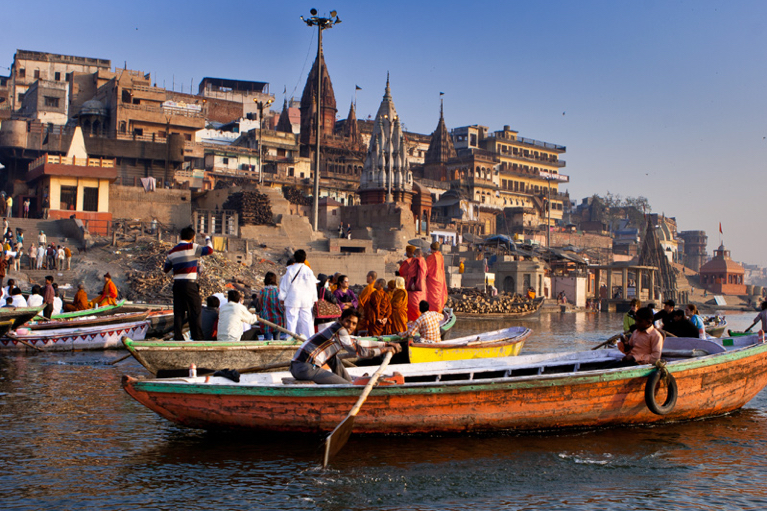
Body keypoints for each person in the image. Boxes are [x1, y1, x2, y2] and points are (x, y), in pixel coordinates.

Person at [289, 307, 401, 384]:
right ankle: (349, 384)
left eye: (354, 324)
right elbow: (360, 352)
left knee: (333, 357)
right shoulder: (340, 330)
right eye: (348, 321)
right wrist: (385, 349)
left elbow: (359, 342)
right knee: (346, 386)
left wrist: (386, 343)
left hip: (297, 367)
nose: (350, 326)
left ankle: (348, 381)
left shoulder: (337, 330)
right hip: (305, 368)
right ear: (340, 320)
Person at [163, 225, 214, 341]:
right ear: (193, 237)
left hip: (177, 284)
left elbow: (166, 269)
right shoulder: (193, 247)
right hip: (189, 284)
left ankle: (178, 336)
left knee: (179, 311)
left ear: (180, 236)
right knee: (195, 310)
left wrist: (177, 270)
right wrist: (207, 238)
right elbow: (210, 250)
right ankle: (197, 337)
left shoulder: (172, 252)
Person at [278, 249, 317, 340]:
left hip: (293, 298)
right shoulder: (309, 271)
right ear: (304, 258)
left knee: (291, 319)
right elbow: (313, 286)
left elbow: (285, 285)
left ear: (295, 258)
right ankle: (309, 338)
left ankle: (291, 337)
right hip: (306, 300)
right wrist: (314, 299)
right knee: (307, 320)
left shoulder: (290, 270)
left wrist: (282, 297)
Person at [258, 271, 283, 340]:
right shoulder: (278, 291)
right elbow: (282, 304)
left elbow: (260, 303)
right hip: (277, 319)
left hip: (266, 319)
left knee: (267, 341)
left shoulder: (262, 291)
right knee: (277, 340)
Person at [425, 242, 448, 313]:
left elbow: (426, 269)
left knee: (432, 297)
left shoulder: (430, 258)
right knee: (438, 296)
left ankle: (432, 312)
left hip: (432, 280)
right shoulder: (441, 256)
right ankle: (439, 311)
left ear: (431, 248)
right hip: (440, 279)